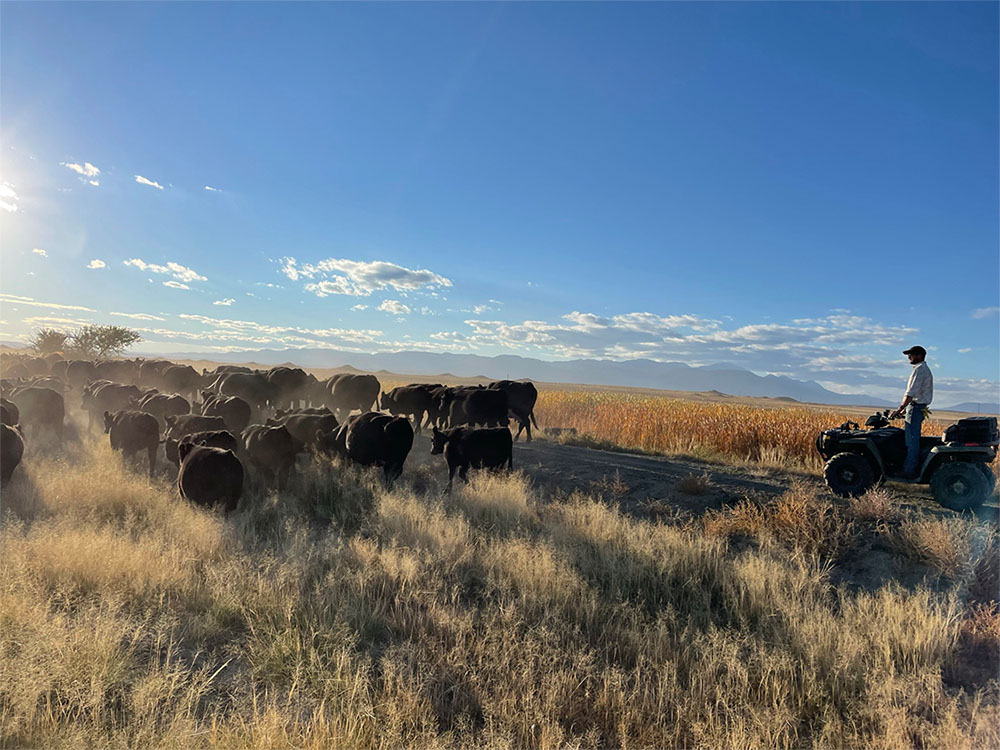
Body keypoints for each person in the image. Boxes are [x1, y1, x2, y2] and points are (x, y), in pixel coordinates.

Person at [889, 346, 933, 478]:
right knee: (913, 438)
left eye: (911, 354)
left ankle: (909, 470)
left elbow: (911, 393)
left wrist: (900, 409)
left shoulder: (919, 370)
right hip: (918, 407)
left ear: (919, 356)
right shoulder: (923, 369)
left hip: (916, 407)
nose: (909, 357)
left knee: (911, 440)